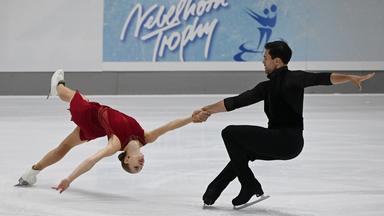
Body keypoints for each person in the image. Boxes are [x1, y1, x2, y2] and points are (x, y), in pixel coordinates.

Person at [193, 40, 375, 207]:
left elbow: (324, 78)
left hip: (285, 140)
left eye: (265, 58)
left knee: (229, 133)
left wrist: (350, 77)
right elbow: (236, 101)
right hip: (289, 144)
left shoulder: (294, 78)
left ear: (277, 61)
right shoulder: (267, 87)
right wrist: (206, 110)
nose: (263, 62)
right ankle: (213, 191)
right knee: (242, 153)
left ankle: (249, 185)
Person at [16, 69, 196, 193]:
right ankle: (31, 173)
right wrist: (191, 118)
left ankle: (58, 86)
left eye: (135, 167)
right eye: (140, 167)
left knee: (68, 95)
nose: (141, 164)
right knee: (63, 148)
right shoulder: (146, 138)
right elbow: (171, 126)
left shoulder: (115, 143)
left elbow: (91, 160)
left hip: (91, 115)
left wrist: (69, 179)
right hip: (96, 127)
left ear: (126, 159)